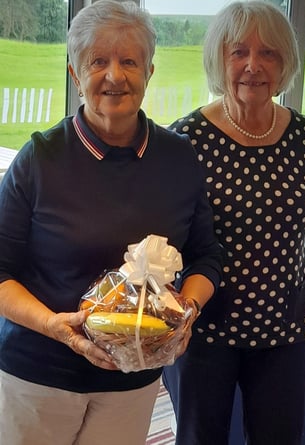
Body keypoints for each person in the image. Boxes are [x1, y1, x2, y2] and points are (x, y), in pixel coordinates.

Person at [0, 1, 223, 444]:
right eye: (98, 61)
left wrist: (188, 312)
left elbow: (206, 257)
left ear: (150, 71)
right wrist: (53, 326)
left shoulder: (179, 158)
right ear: (74, 74)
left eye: (129, 61)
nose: (115, 76)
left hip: (133, 382)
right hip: (39, 377)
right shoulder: (39, 160)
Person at [162, 2, 305, 444]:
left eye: (268, 53)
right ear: (219, 60)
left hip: (286, 328)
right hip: (204, 329)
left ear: (285, 62)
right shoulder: (186, 140)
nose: (253, 65)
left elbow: (304, 230)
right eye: (239, 52)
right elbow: (171, 238)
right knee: (200, 437)